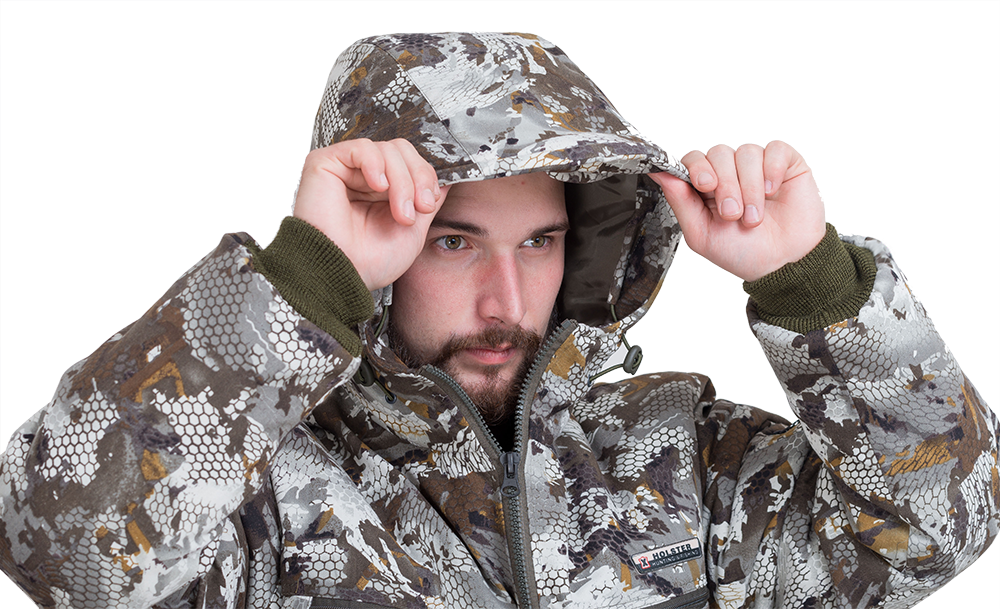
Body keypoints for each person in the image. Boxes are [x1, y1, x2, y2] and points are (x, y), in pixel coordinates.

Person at [0, 31, 995, 609]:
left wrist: (812, 285)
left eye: (539, 243)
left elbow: (937, 532)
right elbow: (61, 552)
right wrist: (301, 283)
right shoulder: (253, 489)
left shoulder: (692, 462)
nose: (505, 302)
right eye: (452, 241)